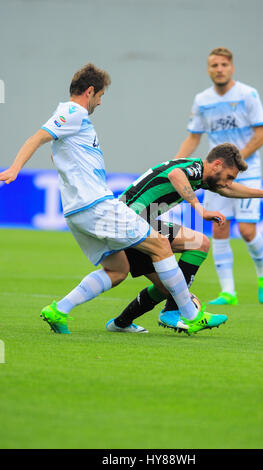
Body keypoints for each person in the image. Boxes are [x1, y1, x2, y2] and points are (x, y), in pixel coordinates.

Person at [0, 63, 224, 336]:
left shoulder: (73, 125)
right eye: (101, 96)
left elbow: (57, 151)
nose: (100, 102)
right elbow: (37, 137)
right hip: (96, 205)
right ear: (90, 91)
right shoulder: (73, 112)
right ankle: (190, 315)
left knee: (118, 269)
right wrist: (14, 169)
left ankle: (59, 310)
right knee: (160, 245)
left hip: (76, 213)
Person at [106, 144, 263, 333]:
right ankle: (173, 310)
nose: (228, 182)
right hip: (129, 222)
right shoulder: (195, 169)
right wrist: (201, 209)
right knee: (198, 245)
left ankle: (122, 323)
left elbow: (227, 190)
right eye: (229, 176)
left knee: (167, 286)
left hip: (135, 223)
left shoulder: (201, 174)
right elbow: (175, 175)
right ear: (217, 165)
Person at [176, 47, 263, 306]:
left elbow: (262, 134)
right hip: (216, 175)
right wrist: (176, 162)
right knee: (219, 227)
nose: (218, 69)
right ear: (208, 69)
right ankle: (228, 292)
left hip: (247, 172)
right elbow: (194, 137)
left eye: (223, 65)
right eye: (213, 65)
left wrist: (236, 162)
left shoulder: (248, 95)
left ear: (231, 68)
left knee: (247, 231)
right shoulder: (202, 100)